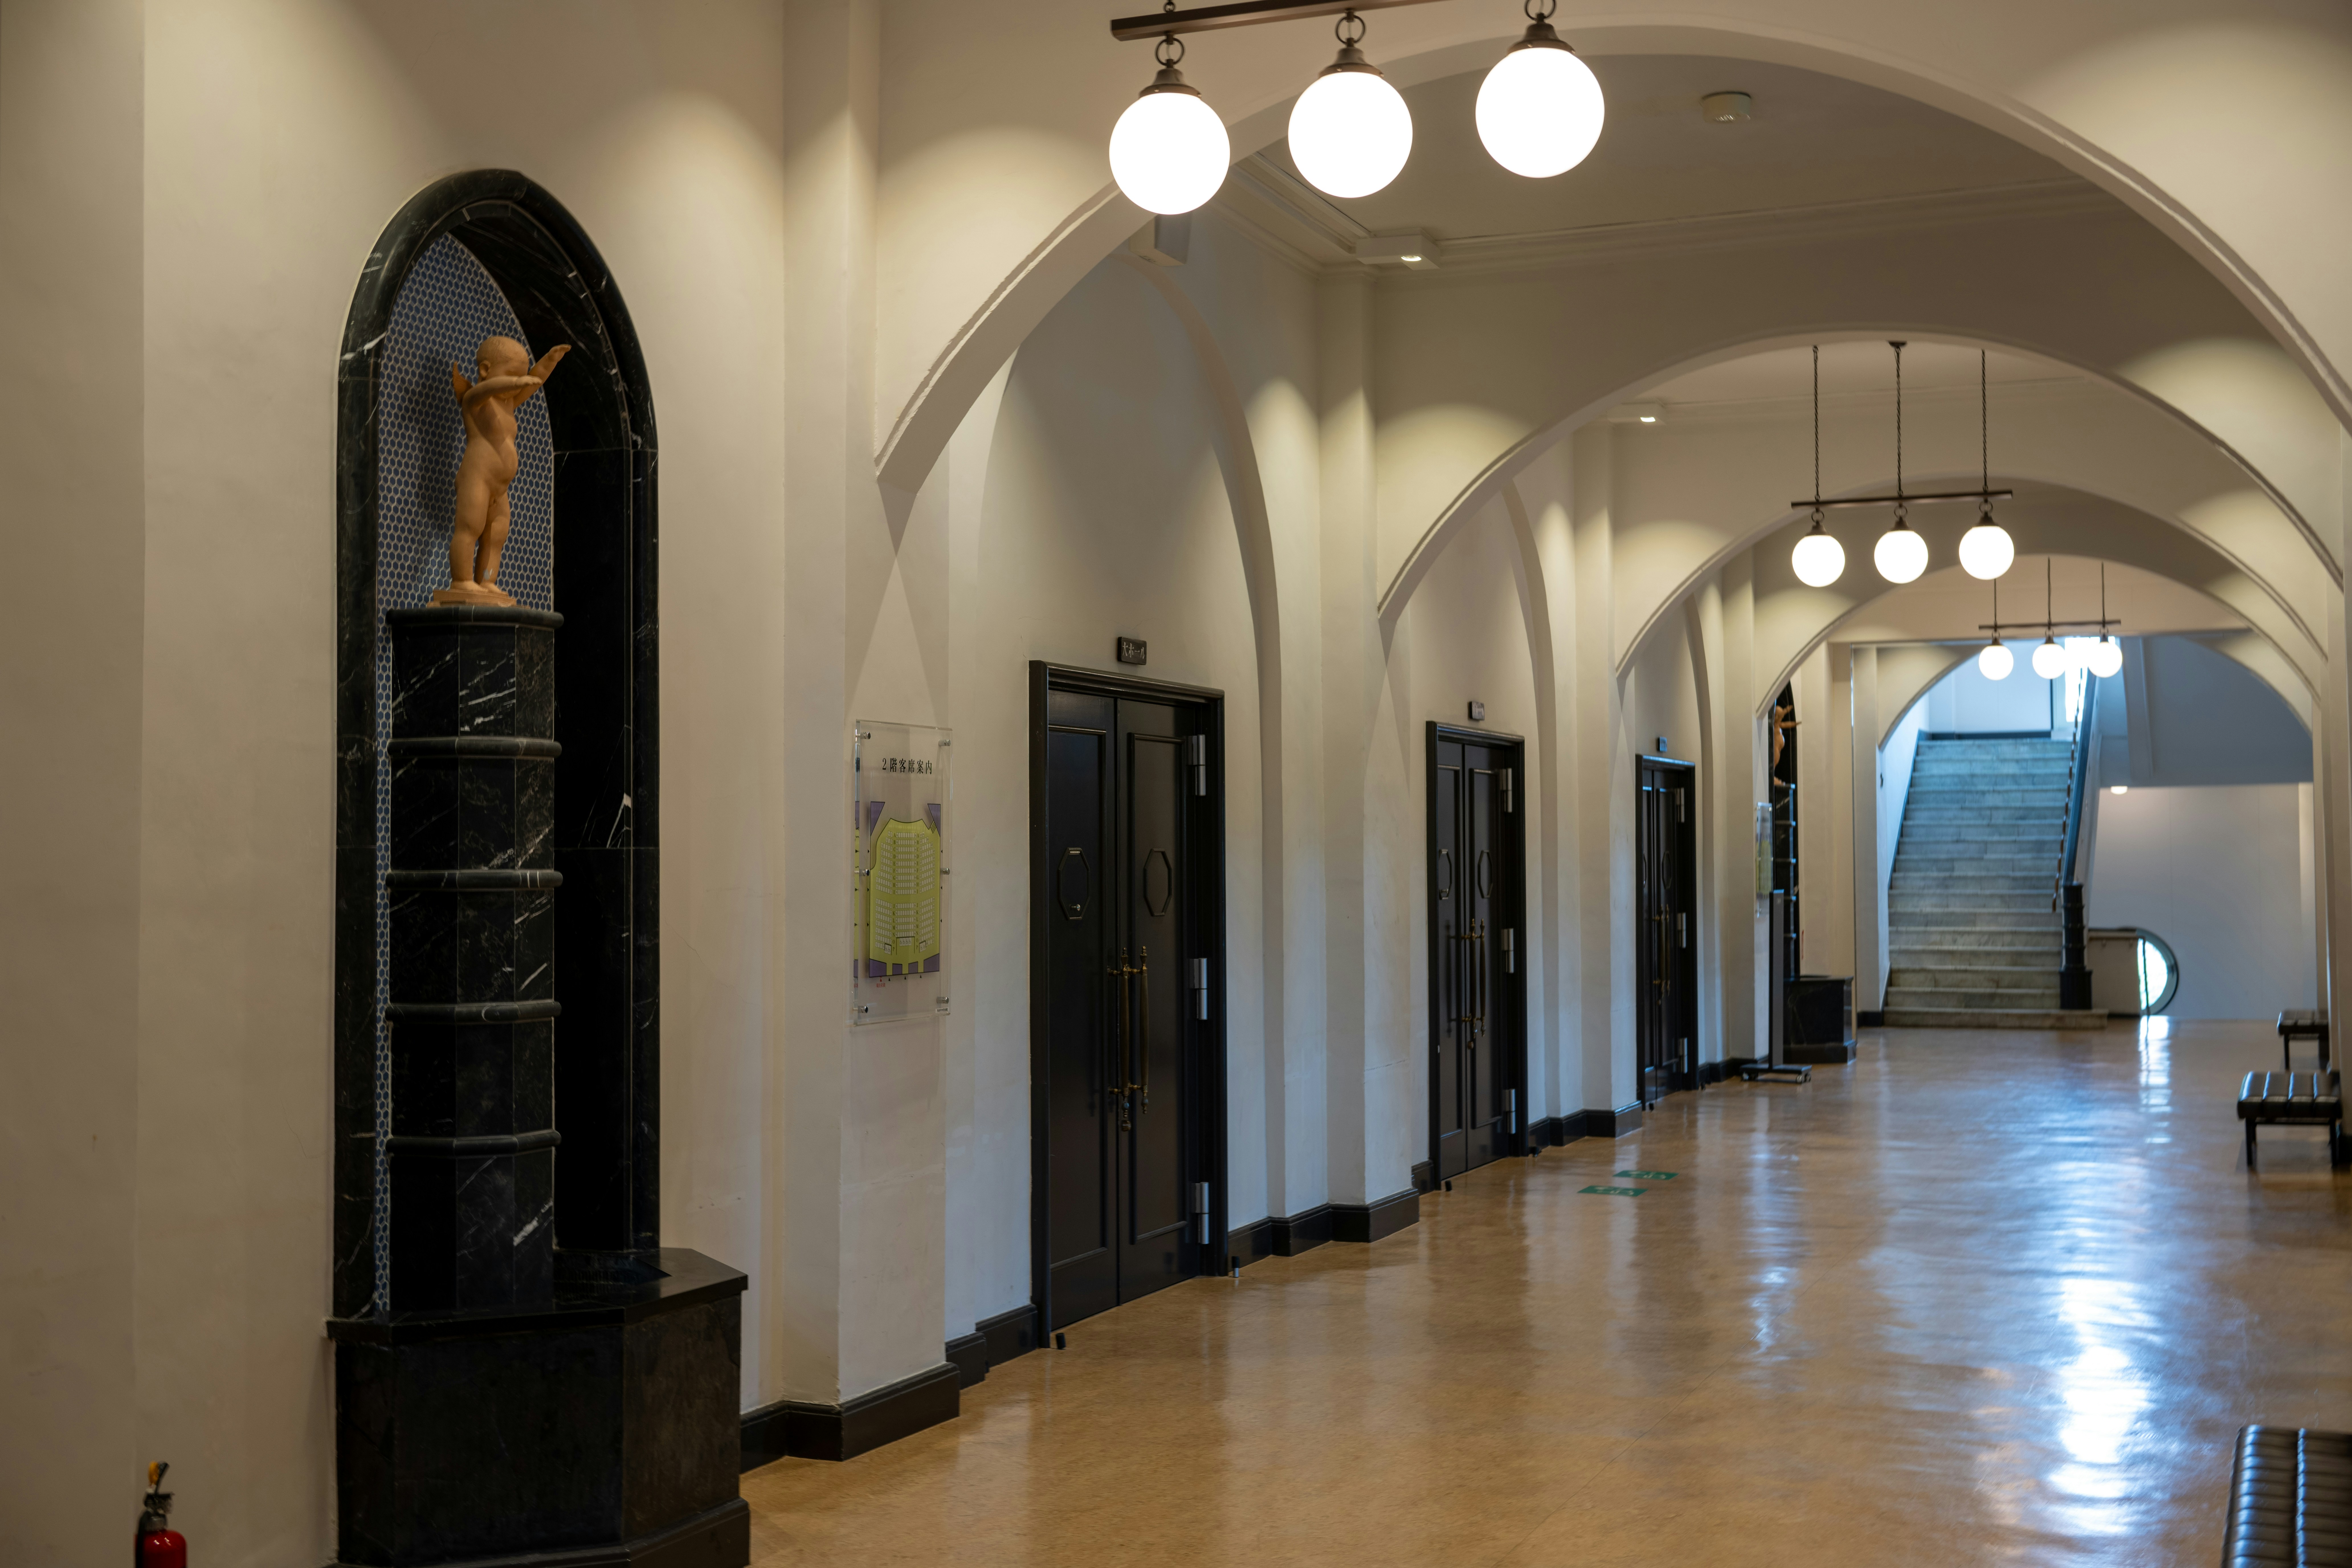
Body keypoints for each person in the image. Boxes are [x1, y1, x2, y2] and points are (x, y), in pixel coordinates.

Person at [434, 335, 568, 605]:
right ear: (485, 371)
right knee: (470, 527)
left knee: (497, 534)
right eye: (511, 375)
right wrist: (516, 382)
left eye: (519, 376)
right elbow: (491, 389)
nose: (518, 382)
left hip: (500, 486)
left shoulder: (508, 403)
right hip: (477, 477)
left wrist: (550, 361)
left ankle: (487, 581)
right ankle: (462, 580)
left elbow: (536, 379)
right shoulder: (475, 400)